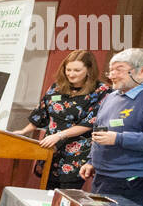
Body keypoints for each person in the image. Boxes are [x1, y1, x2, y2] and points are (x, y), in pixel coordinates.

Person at [81, 48, 143, 206]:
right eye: (111, 70)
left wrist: (118, 138)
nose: (112, 75)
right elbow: (100, 130)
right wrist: (91, 161)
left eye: (119, 69)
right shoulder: (112, 96)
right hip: (103, 174)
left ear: (142, 71)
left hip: (131, 178)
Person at [15, 50, 109, 190]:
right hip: (51, 149)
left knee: (64, 199)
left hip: (76, 154)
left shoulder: (101, 91)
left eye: (77, 70)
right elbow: (41, 112)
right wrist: (24, 131)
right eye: (68, 69)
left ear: (89, 69)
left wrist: (60, 135)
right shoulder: (56, 87)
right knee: (46, 192)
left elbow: (90, 122)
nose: (71, 74)